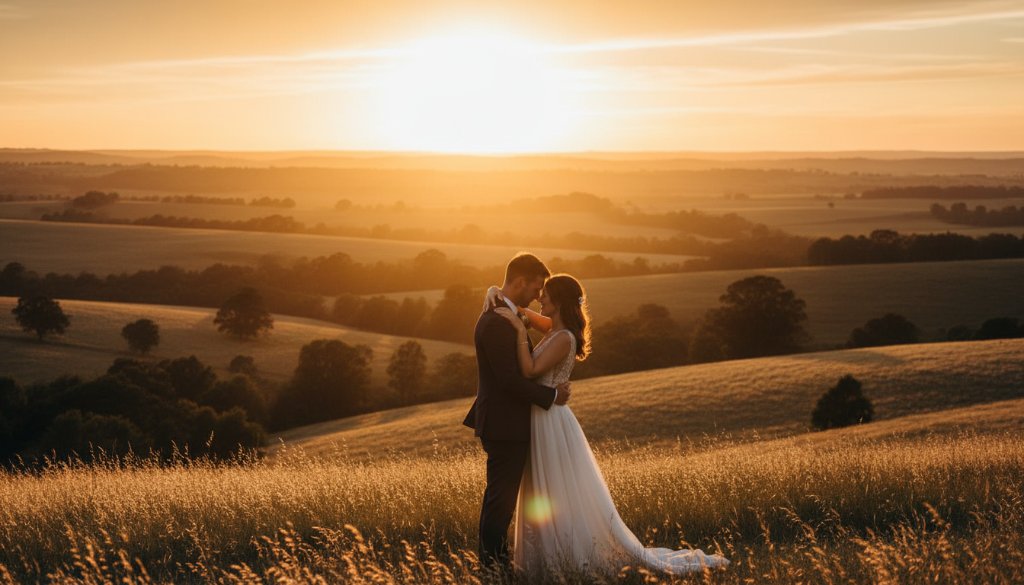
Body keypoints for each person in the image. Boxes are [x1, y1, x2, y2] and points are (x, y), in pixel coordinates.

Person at [483, 273, 730, 578]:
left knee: (556, 490)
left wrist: (518, 328)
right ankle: (545, 557)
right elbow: (530, 317)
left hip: (549, 420)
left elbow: (530, 368)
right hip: (542, 417)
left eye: (545, 294)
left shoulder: (563, 338)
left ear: (558, 301)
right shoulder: (557, 329)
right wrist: (501, 298)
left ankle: (567, 556)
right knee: (544, 491)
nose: (540, 298)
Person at [462, 253, 572, 572]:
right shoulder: (497, 321)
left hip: (508, 422)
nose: (540, 296)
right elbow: (509, 381)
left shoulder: (509, 314)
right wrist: (551, 395)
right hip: (504, 423)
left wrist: (501, 295)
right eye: (536, 288)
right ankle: (493, 567)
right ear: (520, 282)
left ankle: (495, 564)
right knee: (500, 501)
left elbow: (557, 324)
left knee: (501, 498)